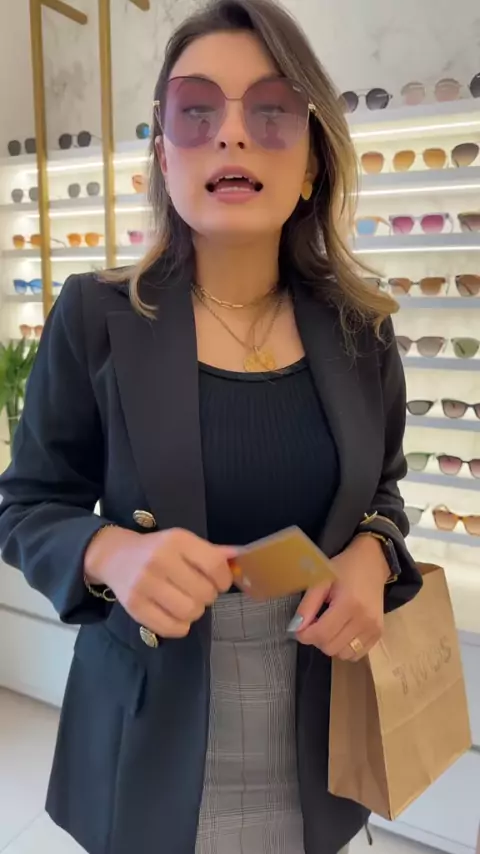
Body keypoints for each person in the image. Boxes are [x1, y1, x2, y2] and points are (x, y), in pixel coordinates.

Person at [0, 1, 423, 853]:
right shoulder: (95, 317)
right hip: (148, 735)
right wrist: (111, 553)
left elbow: (383, 493)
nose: (231, 134)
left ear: (311, 162)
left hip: (318, 738)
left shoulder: (361, 330)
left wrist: (372, 558)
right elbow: (26, 506)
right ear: (164, 153)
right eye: (196, 111)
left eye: (271, 111)